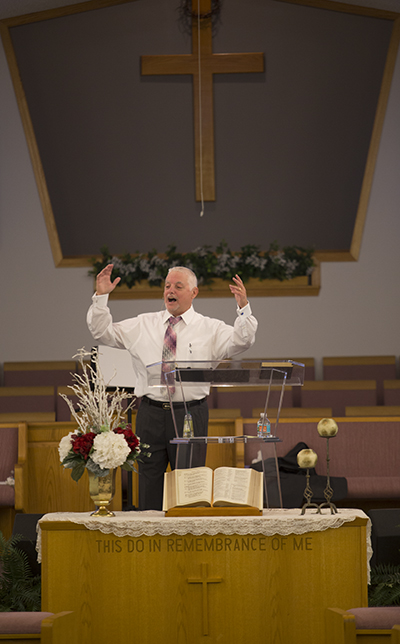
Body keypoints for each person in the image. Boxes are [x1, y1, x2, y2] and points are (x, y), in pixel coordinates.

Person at [87, 264, 258, 510]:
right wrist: (101, 297)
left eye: (178, 286)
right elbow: (101, 332)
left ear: (194, 292)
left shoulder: (209, 328)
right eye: (167, 286)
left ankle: (187, 545)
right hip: (150, 414)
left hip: (190, 414)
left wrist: (243, 308)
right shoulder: (143, 324)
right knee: (148, 487)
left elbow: (243, 340)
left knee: (189, 490)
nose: (171, 290)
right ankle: (149, 543)